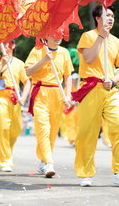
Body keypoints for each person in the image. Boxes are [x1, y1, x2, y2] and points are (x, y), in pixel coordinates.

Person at [72, 4, 119, 187]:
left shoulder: (116, 41)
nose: (111, 19)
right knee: (87, 133)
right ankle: (86, 174)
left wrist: (113, 81)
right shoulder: (88, 36)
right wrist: (101, 37)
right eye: (107, 15)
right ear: (97, 18)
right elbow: (89, 58)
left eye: (113, 16)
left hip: (110, 90)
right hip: (90, 89)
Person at [25, 33, 72, 178]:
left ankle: (43, 161)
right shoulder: (38, 50)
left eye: (61, 34)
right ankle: (49, 162)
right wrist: (44, 60)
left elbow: (67, 76)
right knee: (42, 127)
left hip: (57, 94)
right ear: (47, 36)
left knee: (52, 131)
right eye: (55, 34)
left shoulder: (64, 53)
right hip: (40, 92)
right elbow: (28, 72)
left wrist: (68, 94)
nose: (58, 37)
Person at [0, 40, 31, 172]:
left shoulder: (19, 63)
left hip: (15, 98)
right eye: (3, 44)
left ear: (14, 45)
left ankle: (7, 153)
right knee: (3, 128)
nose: (5, 46)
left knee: (15, 130)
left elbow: (27, 82)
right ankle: (5, 161)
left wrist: (23, 97)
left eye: (8, 43)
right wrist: (2, 65)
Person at [64, 73, 80, 146]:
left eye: (76, 79)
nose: (75, 81)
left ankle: (77, 139)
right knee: (71, 124)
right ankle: (71, 139)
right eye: (74, 79)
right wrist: (73, 102)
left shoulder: (80, 87)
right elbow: (65, 98)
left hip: (78, 110)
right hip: (70, 109)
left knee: (78, 125)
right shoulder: (67, 89)